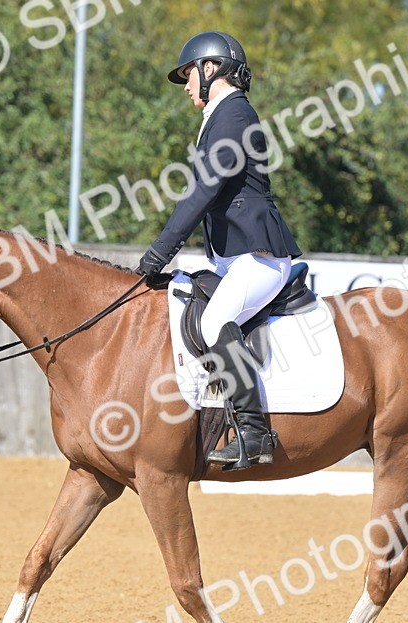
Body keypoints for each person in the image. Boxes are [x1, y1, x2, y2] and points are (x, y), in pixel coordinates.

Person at [137, 31, 302, 469]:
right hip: (231, 258)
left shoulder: (233, 116)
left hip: (259, 257)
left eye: (188, 74)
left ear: (210, 69)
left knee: (214, 322)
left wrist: (159, 252)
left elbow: (203, 192)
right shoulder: (220, 115)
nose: (187, 85)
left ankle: (253, 431)